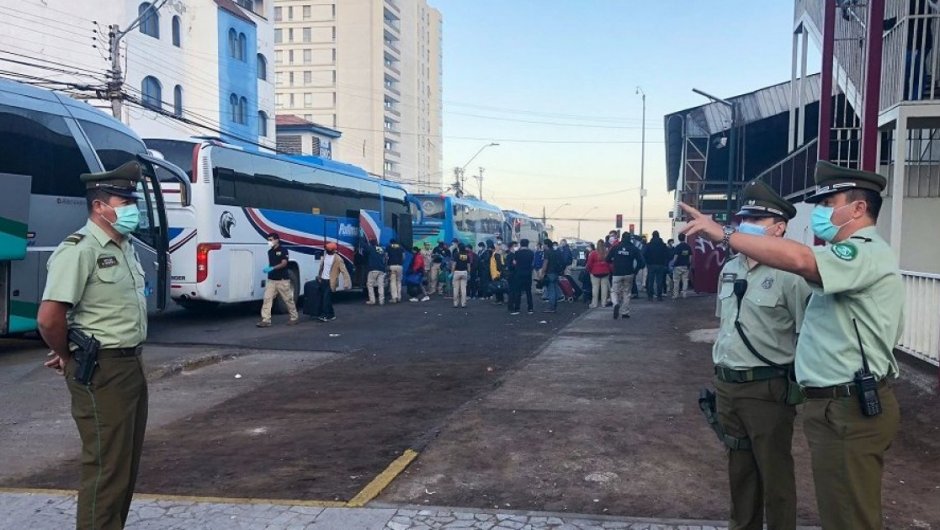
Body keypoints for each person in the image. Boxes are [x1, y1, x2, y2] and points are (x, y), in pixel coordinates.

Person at [681, 161, 903, 530]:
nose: (819, 212)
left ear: (859, 208)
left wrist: (724, 234)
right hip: (830, 405)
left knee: (848, 516)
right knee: (839, 511)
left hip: (846, 404)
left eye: (829, 202)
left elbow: (801, 262)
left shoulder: (863, 252)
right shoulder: (841, 259)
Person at [36, 161, 151, 530]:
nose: (132, 208)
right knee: (105, 470)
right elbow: (50, 317)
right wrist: (69, 355)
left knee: (124, 468)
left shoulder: (125, 246)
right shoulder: (79, 249)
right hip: (101, 370)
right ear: (100, 206)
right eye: (124, 200)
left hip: (130, 365)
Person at [708, 180, 811, 530]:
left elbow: (807, 333)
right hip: (728, 385)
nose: (744, 225)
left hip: (767, 389)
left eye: (756, 218)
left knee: (775, 474)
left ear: (779, 228)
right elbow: (726, 326)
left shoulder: (791, 275)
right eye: (743, 218)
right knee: (739, 471)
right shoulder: (731, 268)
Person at [255, 233, 300, 327]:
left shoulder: (283, 250)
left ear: (277, 240)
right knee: (267, 299)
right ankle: (266, 320)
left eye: (271, 240)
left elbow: (284, 263)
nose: (269, 242)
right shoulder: (270, 252)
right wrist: (269, 267)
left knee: (288, 299)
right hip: (271, 279)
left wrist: (272, 268)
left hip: (282, 280)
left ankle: (294, 317)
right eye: (268, 240)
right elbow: (272, 263)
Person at [607, 235, 644, 319]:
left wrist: (614, 261)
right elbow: (641, 262)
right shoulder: (634, 249)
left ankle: (615, 303)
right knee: (626, 293)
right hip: (629, 273)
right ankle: (625, 312)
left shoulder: (615, 247)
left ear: (622, 238)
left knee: (614, 291)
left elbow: (607, 259)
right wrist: (635, 271)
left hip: (617, 273)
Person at [315, 242, 350, 321]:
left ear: (334, 250)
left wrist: (346, 283)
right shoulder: (326, 255)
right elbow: (322, 267)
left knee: (326, 299)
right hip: (323, 280)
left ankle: (325, 315)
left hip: (331, 282)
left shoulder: (338, 259)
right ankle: (332, 315)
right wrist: (319, 276)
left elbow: (344, 272)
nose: (327, 250)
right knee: (326, 299)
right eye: (326, 249)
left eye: (328, 249)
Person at [509, 238, 535, 315]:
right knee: (528, 291)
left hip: (519, 274)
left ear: (521, 244)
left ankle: (517, 308)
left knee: (518, 292)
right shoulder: (531, 253)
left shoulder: (517, 253)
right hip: (528, 274)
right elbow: (532, 263)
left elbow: (514, 263)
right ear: (528, 244)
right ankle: (530, 308)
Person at [643, 231, 671, 301]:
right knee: (659, 281)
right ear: (659, 236)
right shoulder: (663, 245)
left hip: (651, 265)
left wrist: (647, 262)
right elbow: (668, 254)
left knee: (650, 281)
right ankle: (659, 296)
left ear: (652, 236)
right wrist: (665, 263)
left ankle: (650, 296)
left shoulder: (649, 245)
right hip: (660, 265)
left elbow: (644, 254)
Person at [586, 239, 612, 308]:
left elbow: (589, 264)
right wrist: (610, 270)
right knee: (604, 289)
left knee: (595, 288)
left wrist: (590, 270)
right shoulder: (607, 252)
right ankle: (604, 303)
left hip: (595, 273)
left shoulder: (593, 253)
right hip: (605, 272)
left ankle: (594, 304)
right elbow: (610, 263)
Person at [539, 239, 563, 313]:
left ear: (546, 245)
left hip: (549, 273)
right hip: (556, 272)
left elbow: (545, 263)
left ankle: (551, 307)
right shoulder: (555, 252)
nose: (542, 246)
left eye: (543, 244)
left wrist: (542, 273)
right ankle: (554, 306)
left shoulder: (547, 252)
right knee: (555, 290)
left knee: (551, 290)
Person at [362, 238, 387, 306]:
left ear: (370, 243)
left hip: (373, 269)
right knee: (380, 285)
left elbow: (364, 252)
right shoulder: (381, 249)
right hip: (381, 269)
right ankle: (381, 301)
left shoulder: (370, 248)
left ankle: (372, 300)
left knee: (370, 285)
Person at [672, 233, 693, 299]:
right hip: (685, 266)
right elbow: (690, 257)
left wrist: (673, 263)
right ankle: (684, 294)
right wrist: (689, 263)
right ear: (684, 238)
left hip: (677, 266)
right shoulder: (688, 247)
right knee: (685, 280)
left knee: (676, 281)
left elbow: (676, 256)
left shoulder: (678, 247)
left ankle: (675, 295)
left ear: (678, 238)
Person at [451, 242, 472, 308]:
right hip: (464, 272)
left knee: (456, 288)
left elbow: (454, 264)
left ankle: (455, 304)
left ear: (459, 248)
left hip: (457, 272)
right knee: (463, 289)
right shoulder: (467, 255)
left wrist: (452, 272)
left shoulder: (456, 254)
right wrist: (469, 273)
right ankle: (463, 304)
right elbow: (468, 265)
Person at [386, 238, 405, 303]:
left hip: (392, 266)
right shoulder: (401, 247)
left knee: (392, 282)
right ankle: (399, 297)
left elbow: (386, 256)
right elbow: (403, 256)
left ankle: (394, 298)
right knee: (399, 282)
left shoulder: (388, 247)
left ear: (390, 242)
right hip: (399, 266)